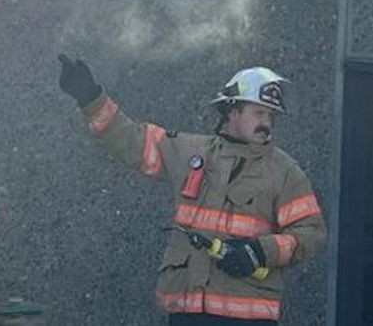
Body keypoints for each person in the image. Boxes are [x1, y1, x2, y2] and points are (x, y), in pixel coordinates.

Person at [58, 55, 327, 325]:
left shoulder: (284, 171)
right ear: (232, 112)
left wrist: (260, 251)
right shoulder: (190, 153)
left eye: (271, 115)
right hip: (188, 312)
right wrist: (91, 99)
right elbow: (133, 141)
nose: (266, 122)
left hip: (247, 318)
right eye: (258, 112)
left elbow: (311, 234)